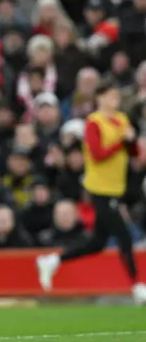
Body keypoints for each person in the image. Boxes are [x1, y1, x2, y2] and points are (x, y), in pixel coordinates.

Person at [36, 82, 146, 304]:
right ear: (100, 98)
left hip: (116, 187)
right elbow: (98, 154)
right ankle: (137, 285)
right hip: (100, 188)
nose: (116, 100)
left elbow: (132, 152)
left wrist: (132, 140)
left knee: (97, 242)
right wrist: (121, 140)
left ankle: (53, 261)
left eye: (117, 96)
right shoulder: (94, 123)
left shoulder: (122, 120)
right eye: (112, 96)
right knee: (123, 235)